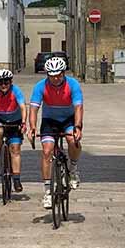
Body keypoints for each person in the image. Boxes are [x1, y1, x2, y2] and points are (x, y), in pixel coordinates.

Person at [29, 57, 84, 209]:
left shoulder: (72, 84)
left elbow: (78, 107)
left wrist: (78, 127)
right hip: (49, 121)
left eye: (58, 74)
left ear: (64, 73)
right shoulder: (40, 86)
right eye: (51, 75)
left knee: (73, 140)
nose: (55, 78)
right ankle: (47, 192)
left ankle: (73, 169)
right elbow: (34, 108)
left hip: (69, 120)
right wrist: (32, 127)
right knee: (47, 151)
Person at [0, 69, 27, 192]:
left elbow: (23, 107)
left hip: (15, 120)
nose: (3, 85)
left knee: (15, 148)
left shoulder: (16, 91)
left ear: (11, 82)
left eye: (6, 82)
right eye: (0, 83)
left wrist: (24, 122)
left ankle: (16, 179)